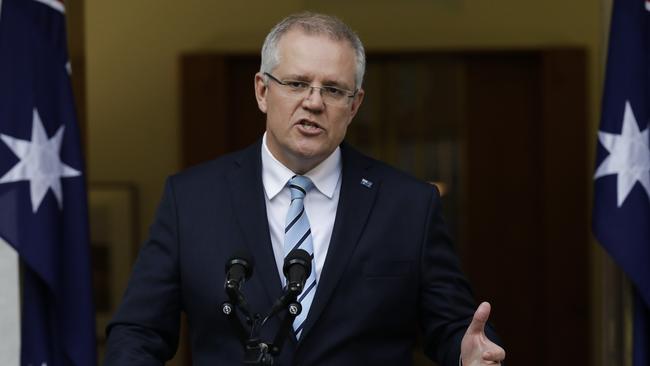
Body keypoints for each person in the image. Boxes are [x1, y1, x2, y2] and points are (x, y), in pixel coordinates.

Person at [104, 12, 506, 366]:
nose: (314, 103)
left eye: (333, 89)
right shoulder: (191, 199)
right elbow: (138, 333)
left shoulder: (408, 205)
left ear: (355, 104)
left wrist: (467, 354)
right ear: (263, 90)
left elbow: (453, 326)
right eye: (297, 83)